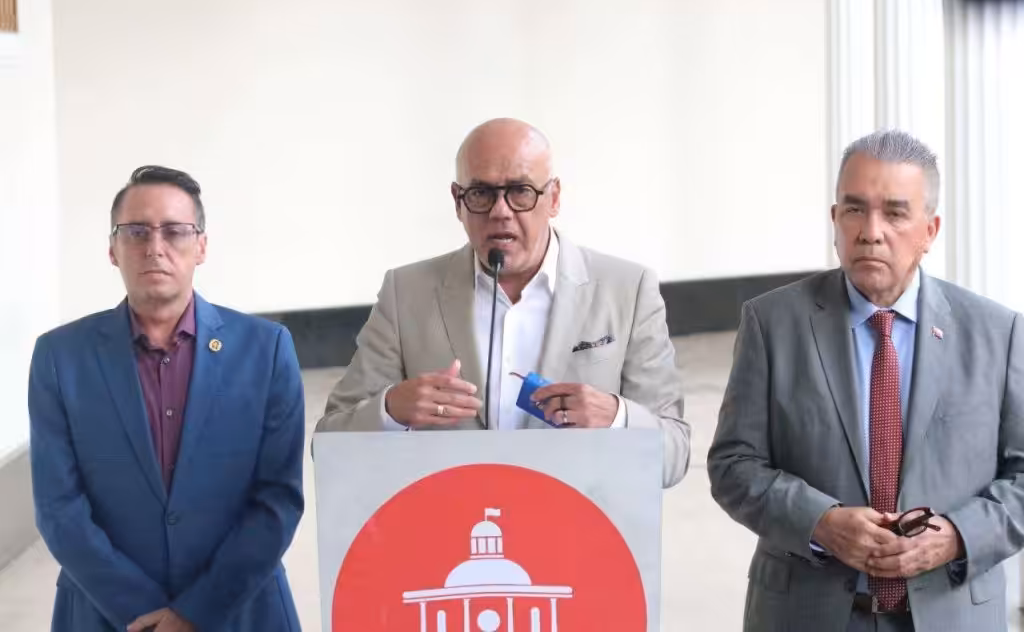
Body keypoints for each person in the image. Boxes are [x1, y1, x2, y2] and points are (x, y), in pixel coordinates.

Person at [707, 129, 1024, 631]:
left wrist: (958, 535)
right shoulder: (772, 324)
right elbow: (732, 466)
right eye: (854, 210)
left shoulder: (997, 333)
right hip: (805, 615)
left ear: (930, 230)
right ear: (835, 221)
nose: (871, 231)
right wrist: (820, 523)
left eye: (895, 213)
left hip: (950, 613)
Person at [315, 118, 690, 487]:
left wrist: (617, 419)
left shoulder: (628, 289)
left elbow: (674, 456)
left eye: (521, 191)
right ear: (457, 202)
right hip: (452, 538)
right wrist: (391, 411)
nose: (500, 211)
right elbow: (328, 444)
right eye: (481, 194)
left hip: (581, 534)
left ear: (554, 197)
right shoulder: (406, 292)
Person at [28, 166, 305, 632]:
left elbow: (278, 499)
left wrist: (194, 612)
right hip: (107, 613)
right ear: (112, 249)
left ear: (201, 246)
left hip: (239, 609)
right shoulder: (60, 356)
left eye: (175, 231)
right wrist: (144, 614)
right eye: (136, 232)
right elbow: (58, 508)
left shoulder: (267, 349)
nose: (155, 247)